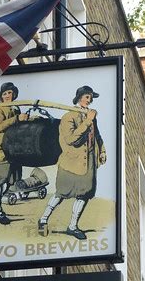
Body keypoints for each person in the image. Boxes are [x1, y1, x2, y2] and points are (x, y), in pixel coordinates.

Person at [38, 85, 106, 239]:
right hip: (70, 164)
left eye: (91, 98)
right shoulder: (69, 117)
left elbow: (97, 136)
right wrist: (88, 121)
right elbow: (71, 139)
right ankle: (43, 220)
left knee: (84, 195)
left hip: (87, 164)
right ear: (79, 97)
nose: (89, 100)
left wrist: (102, 151)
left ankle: (73, 226)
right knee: (61, 194)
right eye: (87, 97)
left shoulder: (91, 117)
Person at [0, 82, 28, 225]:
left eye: (10, 93)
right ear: (1, 96)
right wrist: (16, 119)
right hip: (0, 151)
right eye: (4, 94)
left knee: (7, 184)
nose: (7, 96)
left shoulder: (15, 108)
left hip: (13, 152)